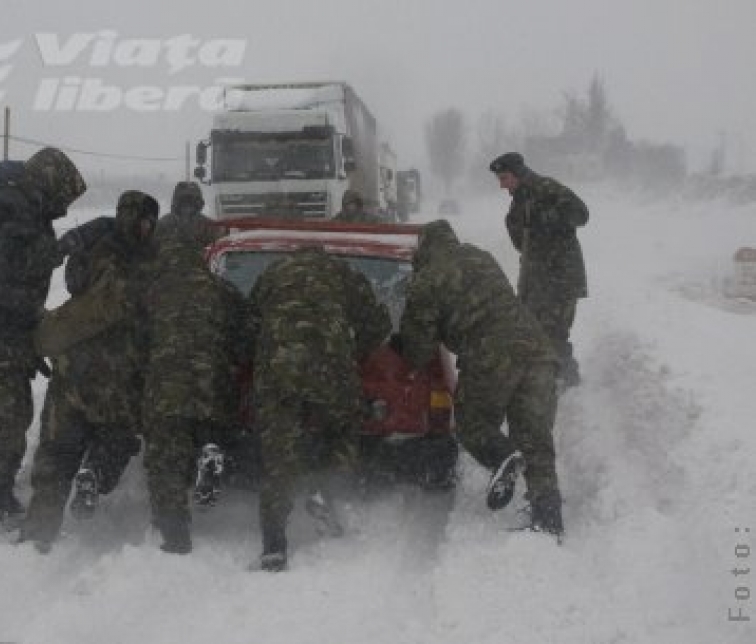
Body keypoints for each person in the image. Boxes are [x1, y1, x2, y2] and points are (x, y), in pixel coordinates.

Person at [396, 220, 564, 538]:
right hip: (537, 347)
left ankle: (502, 455)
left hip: (491, 351)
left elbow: (418, 349)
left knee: (472, 423)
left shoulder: (427, 279)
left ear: (424, 249)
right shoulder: (480, 256)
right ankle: (549, 516)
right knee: (535, 435)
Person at [0, 147, 86, 521]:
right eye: (63, 197)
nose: (62, 206)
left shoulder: (10, 201)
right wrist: (62, 248)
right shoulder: (12, 206)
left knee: (11, 412)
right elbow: (15, 267)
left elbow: (8, 281)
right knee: (9, 416)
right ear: (49, 182)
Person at [19, 191, 159, 550]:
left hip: (71, 368)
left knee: (55, 454)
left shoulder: (91, 250)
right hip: (118, 374)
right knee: (118, 438)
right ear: (145, 222)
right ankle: (95, 473)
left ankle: (37, 536)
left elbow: (73, 286)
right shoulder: (150, 261)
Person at [249, 247, 391, 571]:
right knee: (342, 428)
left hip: (278, 365)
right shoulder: (343, 271)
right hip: (331, 364)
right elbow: (377, 322)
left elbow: (250, 321)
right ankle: (322, 485)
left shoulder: (274, 272)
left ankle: (273, 544)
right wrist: (355, 351)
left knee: (278, 455)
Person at [139, 238, 252, 555]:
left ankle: (174, 534)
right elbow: (246, 340)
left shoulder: (152, 292)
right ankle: (211, 450)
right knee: (213, 427)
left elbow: (136, 342)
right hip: (213, 383)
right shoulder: (223, 291)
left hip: (165, 387)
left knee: (166, 461)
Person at [489, 152, 589, 388]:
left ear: (517, 174)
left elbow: (581, 214)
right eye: (499, 180)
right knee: (535, 331)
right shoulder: (517, 206)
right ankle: (555, 379)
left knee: (554, 333)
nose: (502, 185)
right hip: (536, 281)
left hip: (562, 278)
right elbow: (522, 246)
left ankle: (565, 381)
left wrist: (545, 221)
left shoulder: (547, 188)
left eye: (504, 178)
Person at [153, 181, 221, 248]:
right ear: (177, 202)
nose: (188, 205)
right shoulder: (163, 224)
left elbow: (220, 250)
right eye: (183, 201)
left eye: (192, 201)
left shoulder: (209, 225)